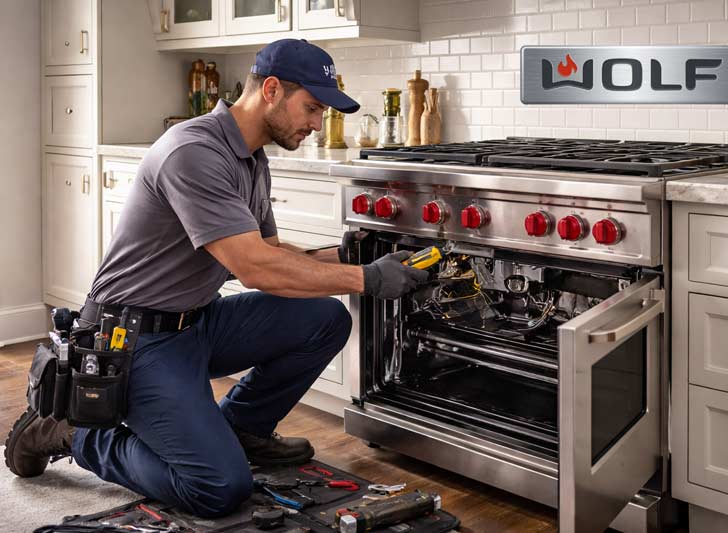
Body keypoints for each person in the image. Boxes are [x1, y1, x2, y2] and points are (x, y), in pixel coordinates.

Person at [4, 39, 428, 518]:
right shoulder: (194, 151)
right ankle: (77, 433)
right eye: (311, 107)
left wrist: (349, 253)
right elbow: (255, 269)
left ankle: (241, 430)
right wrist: (366, 278)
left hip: (197, 324)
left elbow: (267, 253)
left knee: (324, 319)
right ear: (270, 90)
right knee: (217, 488)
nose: (316, 123)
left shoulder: (252, 157)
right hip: (133, 340)